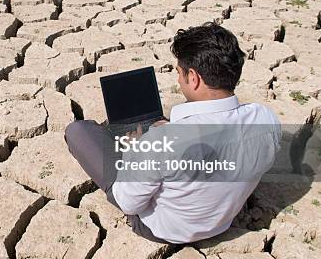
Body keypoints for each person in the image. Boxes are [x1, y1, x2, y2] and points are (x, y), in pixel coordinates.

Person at [64, 22, 282, 244]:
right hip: (222, 220)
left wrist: (137, 151)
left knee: (79, 131)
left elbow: (129, 203)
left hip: (165, 229)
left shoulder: (160, 143)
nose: (178, 80)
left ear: (194, 78)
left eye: (179, 73)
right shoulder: (266, 119)